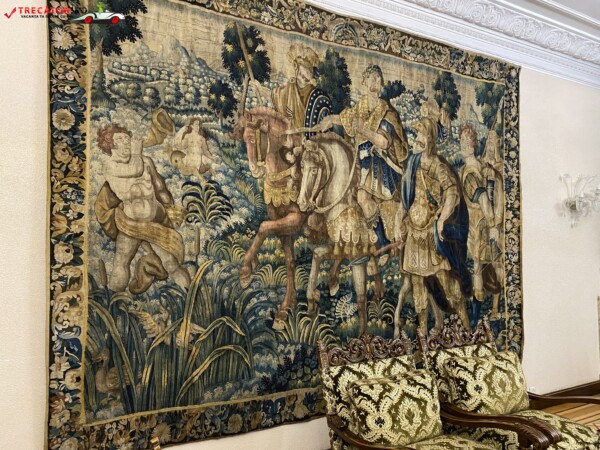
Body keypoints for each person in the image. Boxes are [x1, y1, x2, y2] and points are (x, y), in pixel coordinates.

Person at [303, 64, 408, 263]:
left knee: (362, 196)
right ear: (364, 84)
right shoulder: (361, 107)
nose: (374, 83)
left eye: (378, 79)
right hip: (362, 165)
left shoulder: (387, 112)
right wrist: (328, 121)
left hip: (382, 167)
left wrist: (364, 131)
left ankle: (383, 245)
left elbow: (384, 143)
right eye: (371, 79)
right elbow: (345, 118)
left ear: (382, 84)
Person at [95, 123, 190, 294]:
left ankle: (190, 294)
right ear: (110, 143)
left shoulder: (146, 162)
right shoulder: (110, 164)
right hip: (130, 223)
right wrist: (138, 153)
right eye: (120, 139)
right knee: (122, 262)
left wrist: (170, 206)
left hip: (153, 221)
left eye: (127, 138)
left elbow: (159, 186)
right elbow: (134, 169)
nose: (126, 142)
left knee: (170, 261)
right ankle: (113, 300)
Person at [398, 117, 471, 330]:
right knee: (418, 288)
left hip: (431, 235)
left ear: (430, 139)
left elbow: (452, 192)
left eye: (422, 134)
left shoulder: (438, 166)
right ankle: (423, 334)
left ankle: (466, 327)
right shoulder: (412, 164)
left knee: (448, 285)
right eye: (417, 134)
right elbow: (405, 200)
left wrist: (441, 221)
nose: (418, 139)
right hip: (414, 235)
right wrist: (397, 222)